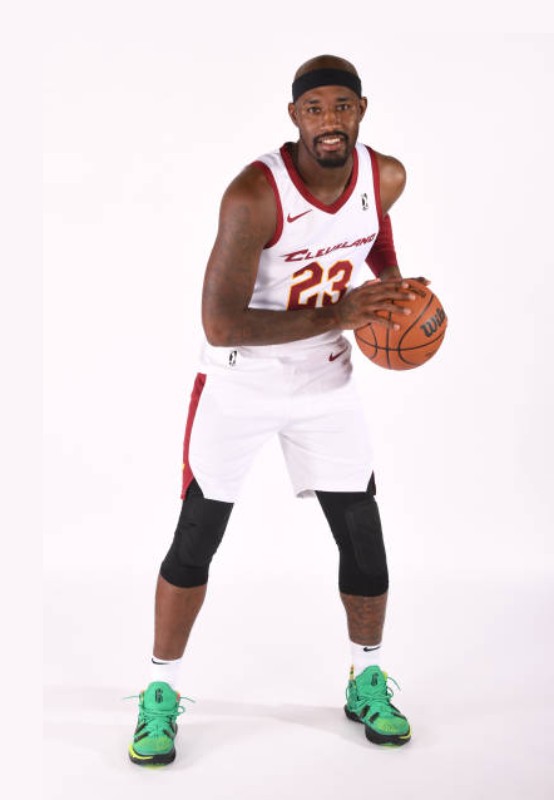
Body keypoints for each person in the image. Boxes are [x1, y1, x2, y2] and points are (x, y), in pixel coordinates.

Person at [128, 54, 426, 766]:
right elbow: (219, 325)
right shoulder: (253, 195)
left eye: (342, 106)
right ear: (295, 116)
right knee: (197, 536)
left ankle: (367, 678)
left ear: (361, 110)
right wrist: (342, 313)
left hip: (327, 379)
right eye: (315, 109)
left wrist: (393, 286)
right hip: (242, 380)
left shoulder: (384, 176)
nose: (330, 120)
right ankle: (159, 691)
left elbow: (375, 230)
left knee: (363, 536)